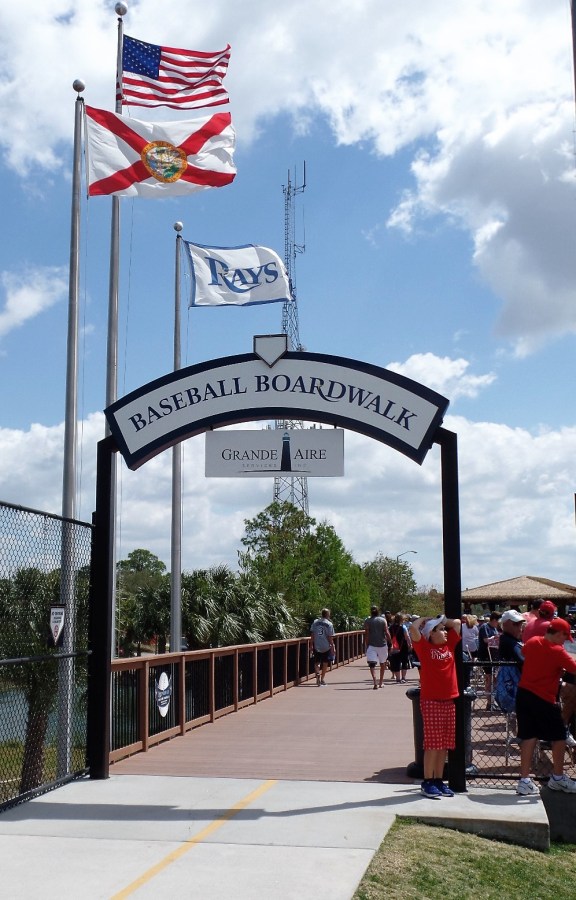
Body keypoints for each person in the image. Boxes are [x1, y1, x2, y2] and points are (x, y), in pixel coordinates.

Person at [515, 617, 576, 795]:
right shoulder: (558, 651)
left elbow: (526, 652)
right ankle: (557, 777)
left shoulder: (533, 641)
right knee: (559, 736)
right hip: (543, 698)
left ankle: (524, 780)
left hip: (524, 694)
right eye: (565, 637)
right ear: (558, 634)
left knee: (528, 736)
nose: (566, 641)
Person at [409, 614, 461, 799]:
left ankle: (439, 780)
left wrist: (442, 620)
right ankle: (427, 781)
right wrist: (423, 619)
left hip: (449, 699)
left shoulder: (449, 646)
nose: (445, 632)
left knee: (444, 745)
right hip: (431, 700)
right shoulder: (424, 648)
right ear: (430, 634)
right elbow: (413, 630)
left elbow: (456, 623)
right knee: (432, 744)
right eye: (439, 630)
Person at [364, 605, 391, 689]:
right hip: (382, 644)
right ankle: (381, 682)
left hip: (372, 645)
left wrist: (367, 644)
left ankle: (375, 681)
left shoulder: (367, 621)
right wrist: (390, 642)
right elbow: (386, 632)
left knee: (372, 664)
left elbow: (367, 634)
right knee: (382, 663)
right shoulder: (383, 620)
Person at [477, 612, 501, 709]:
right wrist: (494, 638)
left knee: (494, 679)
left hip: (494, 655)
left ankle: (492, 700)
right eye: (498, 621)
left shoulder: (494, 628)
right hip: (486, 656)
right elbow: (486, 640)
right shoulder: (485, 627)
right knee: (489, 678)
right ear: (494, 620)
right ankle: (489, 703)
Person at [310, 608, 335, 686]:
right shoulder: (329, 624)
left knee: (317, 662)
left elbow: (312, 634)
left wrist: (311, 644)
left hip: (317, 645)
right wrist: (333, 646)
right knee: (325, 663)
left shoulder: (315, 622)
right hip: (326, 646)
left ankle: (317, 672)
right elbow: (330, 637)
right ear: (328, 615)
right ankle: (322, 679)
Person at [388, 613, 412, 683]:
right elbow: (407, 636)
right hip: (403, 646)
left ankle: (397, 679)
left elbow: (389, 637)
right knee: (404, 661)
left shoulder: (391, 627)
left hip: (394, 647)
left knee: (396, 662)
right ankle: (403, 678)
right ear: (402, 619)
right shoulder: (403, 627)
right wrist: (410, 644)